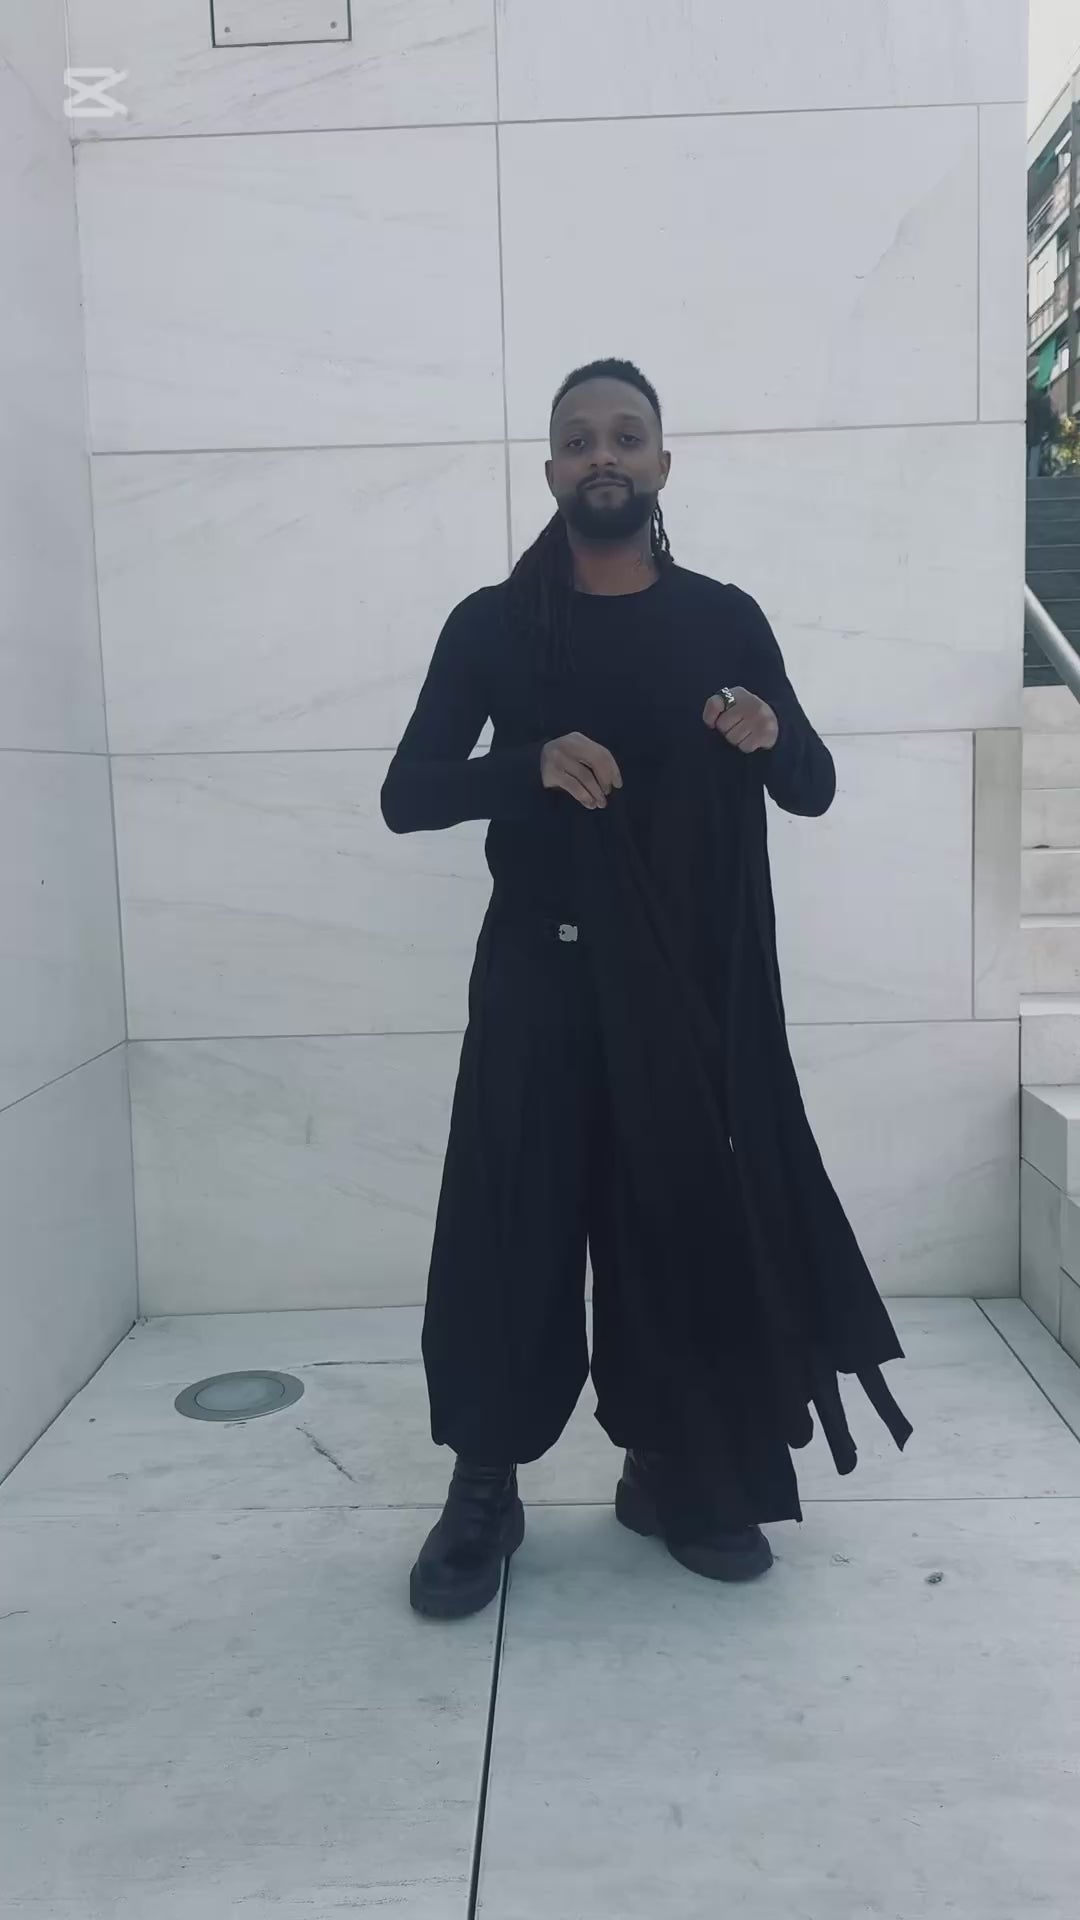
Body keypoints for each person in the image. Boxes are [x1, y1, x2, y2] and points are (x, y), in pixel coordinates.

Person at [382, 358, 910, 1620]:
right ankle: (486, 1481)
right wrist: (523, 764)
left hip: (684, 989)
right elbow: (408, 794)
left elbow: (813, 784)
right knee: (510, 1225)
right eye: (579, 440)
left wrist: (772, 732)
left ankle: (671, 1462)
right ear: (551, 470)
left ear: (664, 465)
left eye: (627, 436)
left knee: (671, 1220)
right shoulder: (492, 626)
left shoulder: (725, 619)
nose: (603, 455)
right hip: (539, 978)